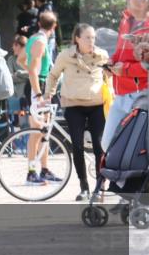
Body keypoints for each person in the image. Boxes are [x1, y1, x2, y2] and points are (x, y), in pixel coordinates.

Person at [42, 23, 110, 201]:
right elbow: (53, 75)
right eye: (87, 37)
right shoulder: (65, 55)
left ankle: (99, 187)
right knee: (77, 147)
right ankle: (84, 187)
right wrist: (48, 95)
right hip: (73, 105)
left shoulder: (102, 55)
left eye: (93, 37)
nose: (91, 41)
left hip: (97, 105)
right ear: (77, 39)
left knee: (99, 147)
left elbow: (110, 77)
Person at [102, 0, 149, 150]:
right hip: (121, 93)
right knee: (107, 143)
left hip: (142, 95)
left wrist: (125, 70)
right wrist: (112, 62)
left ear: (143, 0)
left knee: (139, 147)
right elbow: (119, 52)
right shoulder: (126, 20)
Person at [23, 10, 60, 185]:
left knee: (45, 130)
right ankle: (31, 172)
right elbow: (32, 69)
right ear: (54, 26)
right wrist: (38, 93)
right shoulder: (40, 41)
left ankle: (44, 169)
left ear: (39, 24)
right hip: (40, 87)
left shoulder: (33, 39)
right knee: (37, 131)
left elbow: (21, 59)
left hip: (41, 86)